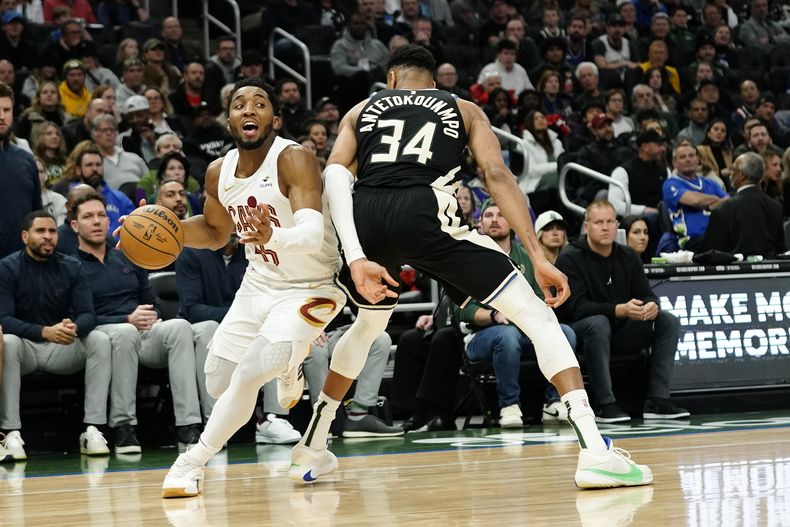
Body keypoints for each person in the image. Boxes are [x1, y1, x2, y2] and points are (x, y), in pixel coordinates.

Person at [290, 45, 652, 489]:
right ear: (435, 82)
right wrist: (537, 255)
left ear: (391, 80)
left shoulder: (361, 109)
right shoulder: (461, 107)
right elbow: (496, 174)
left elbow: (334, 176)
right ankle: (595, 451)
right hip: (426, 212)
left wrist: (344, 253)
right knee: (537, 317)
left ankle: (312, 446)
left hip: (364, 217)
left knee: (366, 328)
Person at [157, 77, 346, 497]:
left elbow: (313, 234)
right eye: (239, 104)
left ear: (275, 119)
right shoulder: (216, 172)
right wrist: (161, 227)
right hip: (259, 284)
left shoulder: (294, 158)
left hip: (311, 287)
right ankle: (288, 363)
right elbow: (213, 232)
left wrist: (271, 238)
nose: (248, 110)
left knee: (246, 376)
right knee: (218, 383)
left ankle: (190, 463)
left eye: (259, 104)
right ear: (229, 120)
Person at [76, 192, 203, 452]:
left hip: (141, 331)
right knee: (125, 332)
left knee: (179, 326)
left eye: (102, 215)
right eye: (88, 216)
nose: (98, 221)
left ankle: (189, 426)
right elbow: (82, 318)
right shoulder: (71, 266)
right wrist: (127, 319)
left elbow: (151, 301)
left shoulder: (128, 256)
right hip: (103, 334)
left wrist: (151, 316)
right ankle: (124, 427)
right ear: (75, 225)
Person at [556, 200, 687, 423]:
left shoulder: (628, 256)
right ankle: (604, 404)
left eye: (610, 222)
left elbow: (647, 294)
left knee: (668, 321)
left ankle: (657, 400)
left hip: (619, 330)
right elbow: (577, 308)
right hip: (579, 333)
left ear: (617, 226)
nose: (605, 227)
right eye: (599, 222)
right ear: (587, 227)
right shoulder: (570, 257)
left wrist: (651, 306)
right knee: (598, 323)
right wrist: (619, 310)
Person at [0, 211, 112, 460]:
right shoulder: (7, 268)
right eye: (41, 231)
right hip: (25, 348)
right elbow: (4, 320)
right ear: (25, 236)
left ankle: (92, 428)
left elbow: (88, 315)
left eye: (52, 231)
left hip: (61, 347)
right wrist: (43, 331)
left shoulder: (71, 266)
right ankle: (11, 432)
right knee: (6, 342)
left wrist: (73, 328)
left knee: (99, 339)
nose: (48, 237)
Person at [459, 201, 578, 428]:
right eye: (489, 215)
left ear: (512, 223)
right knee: (506, 336)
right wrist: (495, 315)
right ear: (480, 224)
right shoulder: (468, 258)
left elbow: (540, 300)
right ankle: (509, 405)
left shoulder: (527, 257)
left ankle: (555, 402)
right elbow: (462, 311)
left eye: (501, 215)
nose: (494, 219)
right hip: (480, 335)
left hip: (524, 330)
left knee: (566, 333)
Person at [304, 323, 402, 437]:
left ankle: (359, 415)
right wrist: (308, 328)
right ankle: (320, 421)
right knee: (316, 352)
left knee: (381, 339)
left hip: (340, 331)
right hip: (304, 331)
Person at [703, 152, 785, 258]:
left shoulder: (724, 208)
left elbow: (710, 253)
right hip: (770, 271)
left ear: (742, 175)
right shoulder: (776, 207)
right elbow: (781, 250)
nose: (731, 174)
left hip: (734, 272)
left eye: (733, 170)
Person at [0, 82, 41, 260]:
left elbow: (36, 214)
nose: (2, 116)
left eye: (7, 110)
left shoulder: (26, 160)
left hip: (22, 265)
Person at [663, 141, 728, 252]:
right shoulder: (670, 184)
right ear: (674, 162)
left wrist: (708, 205)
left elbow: (729, 202)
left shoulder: (710, 183)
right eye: (682, 157)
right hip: (689, 240)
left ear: (698, 159)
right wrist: (715, 199)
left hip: (716, 235)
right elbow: (695, 201)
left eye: (691, 155)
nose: (688, 159)